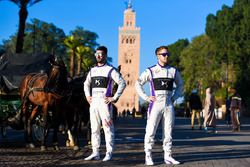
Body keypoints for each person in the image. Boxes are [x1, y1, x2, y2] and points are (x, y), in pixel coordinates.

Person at [135, 46, 183, 165]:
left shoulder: (173, 71)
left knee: (168, 131)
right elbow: (138, 83)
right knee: (150, 131)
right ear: (157, 56)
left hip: (168, 104)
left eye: (167, 54)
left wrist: (175, 97)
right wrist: (146, 97)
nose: (166, 56)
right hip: (155, 105)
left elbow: (181, 85)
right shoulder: (150, 71)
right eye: (164, 54)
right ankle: (148, 155)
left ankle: (168, 156)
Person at [83, 46, 126, 161]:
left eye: (101, 54)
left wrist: (114, 97)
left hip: (105, 104)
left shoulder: (110, 70)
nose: (98, 56)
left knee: (107, 128)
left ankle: (109, 152)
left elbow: (122, 83)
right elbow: (86, 84)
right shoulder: (92, 70)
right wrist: (87, 96)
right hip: (94, 104)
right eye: (97, 54)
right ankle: (95, 153)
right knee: (94, 129)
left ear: (105, 55)